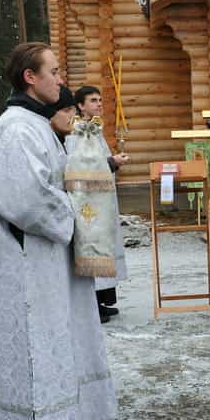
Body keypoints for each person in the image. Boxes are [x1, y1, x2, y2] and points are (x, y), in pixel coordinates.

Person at [0, 42, 117, 420]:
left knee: (54, 359)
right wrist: (79, 215)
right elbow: (25, 200)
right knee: (36, 365)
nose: (61, 80)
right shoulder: (16, 128)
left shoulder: (36, 124)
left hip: (47, 266)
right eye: (53, 71)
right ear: (30, 77)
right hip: (28, 272)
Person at [73, 85, 128, 323]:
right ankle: (91, 306)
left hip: (102, 196)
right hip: (89, 202)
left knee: (105, 245)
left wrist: (112, 163)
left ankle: (102, 301)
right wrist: (111, 162)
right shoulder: (77, 131)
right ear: (80, 105)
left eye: (99, 100)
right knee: (93, 245)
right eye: (93, 100)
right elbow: (83, 166)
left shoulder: (94, 128)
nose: (98, 104)